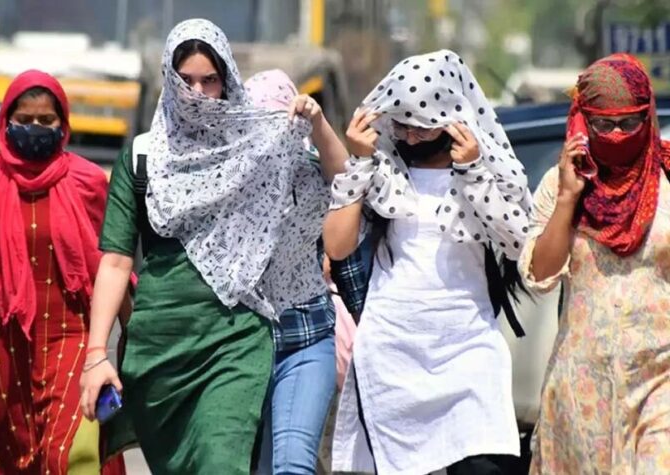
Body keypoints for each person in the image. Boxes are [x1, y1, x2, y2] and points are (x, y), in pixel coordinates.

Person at [79, 20, 333, 474]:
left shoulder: (256, 149)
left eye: (209, 80)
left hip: (235, 343)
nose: (197, 93)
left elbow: (338, 184)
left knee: (221, 461)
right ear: (168, 79)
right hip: (160, 352)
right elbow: (115, 262)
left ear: (228, 81)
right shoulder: (142, 157)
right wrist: (96, 354)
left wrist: (317, 125)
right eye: (185, 80)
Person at [324, 50, 532, 474]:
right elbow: (338, 246)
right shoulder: (381, 171)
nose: (412, 138)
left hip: (468, 347)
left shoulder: (485, 172)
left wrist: (473, 171)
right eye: (401, 126)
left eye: (422, 126)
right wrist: (359, 161)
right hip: (393, 353)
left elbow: (518, 242)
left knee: (486, 463)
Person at [0, 70, 125, 474]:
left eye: (46, 120)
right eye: (24, 120)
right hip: (6, 347)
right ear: (6, 122)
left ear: (63, 124)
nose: (35, 128)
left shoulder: (87, 182)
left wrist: (130, 334)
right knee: (21, 461)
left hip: (73, 337)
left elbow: (113, 262)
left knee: (65, 455)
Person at [520, 54, 670, 473]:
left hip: (661, 378)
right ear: (583, 121)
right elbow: (540, 275)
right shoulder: (561, 184)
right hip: (584, 386)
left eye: (629, 122)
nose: (617, 134)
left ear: (648, 115)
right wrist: (569, 198)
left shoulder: (668, 176)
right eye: (604, 124)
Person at [243, 69, 367, 474]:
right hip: (241, 344)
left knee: (294, 464)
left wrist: (317, 122)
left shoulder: (312, 169)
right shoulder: (230, 180)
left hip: (306, 338)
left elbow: (347, 180)